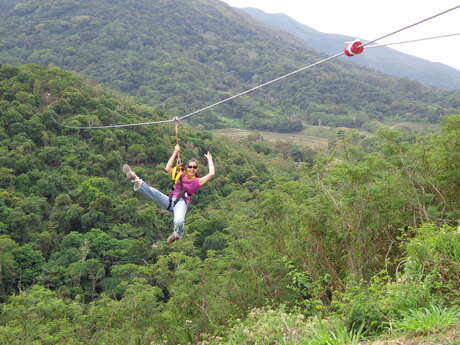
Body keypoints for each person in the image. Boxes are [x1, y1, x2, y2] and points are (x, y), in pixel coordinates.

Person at [122, 144, 215, 244]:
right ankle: (135, 178)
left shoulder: (197, 181)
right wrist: (175, 152)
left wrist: (209, 159)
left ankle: (177, 234)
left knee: (178, 221)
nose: (192, 169)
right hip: (170, 200)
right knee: (154, 192)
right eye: (190, 166)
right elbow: (167, 168)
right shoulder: (181, 174)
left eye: (194, 167)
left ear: (197, 169)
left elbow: (212, 174)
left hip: (181, 203)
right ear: (187, 167)